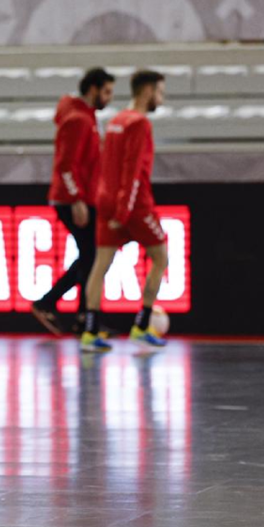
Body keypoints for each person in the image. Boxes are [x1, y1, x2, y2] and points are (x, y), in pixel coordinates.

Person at [80, 70, 169, 353]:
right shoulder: (140, 123)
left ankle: (90, 332)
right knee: (160, 257)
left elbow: (108, 165)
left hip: (106, 200)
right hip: (134, 205)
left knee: (100, 265)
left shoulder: (116, 121)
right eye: (159, 92)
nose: (161, 98)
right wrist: (125, 209)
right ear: (147, 91)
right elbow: (133, 171)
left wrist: (110, 204)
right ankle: (142, 325)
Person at [31, 68, 114, 336]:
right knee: (92, 254)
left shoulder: (87, 118)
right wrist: (76, 199)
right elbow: (66, 164)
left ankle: (78, 315)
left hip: (83, 197)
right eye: (107, 92)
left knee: (90, 255)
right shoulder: (78, 119)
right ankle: (61, 308)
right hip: (72, 199)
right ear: (93, 89)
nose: (108, 98)